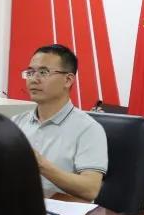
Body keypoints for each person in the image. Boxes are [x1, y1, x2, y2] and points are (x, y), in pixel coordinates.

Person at [13, 44, 108, 201]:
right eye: (30, 72)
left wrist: (40, 164)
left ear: (68, 80)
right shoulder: (17, 122)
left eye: (43, 72)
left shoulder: (89, 129)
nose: (34, 79)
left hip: (62, 214)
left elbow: (90, 189)